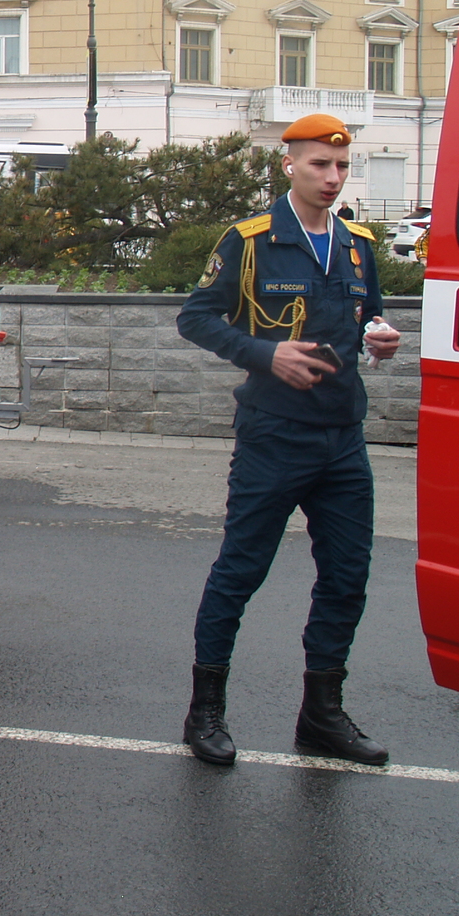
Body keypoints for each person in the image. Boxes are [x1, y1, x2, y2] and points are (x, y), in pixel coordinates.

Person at [176, 113, 401, 767]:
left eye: (340, 166)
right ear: (289, 167)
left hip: (343, 437)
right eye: (318, 166)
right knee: (240, 574)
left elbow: (371, 312)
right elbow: (195, 317)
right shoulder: (250, 240)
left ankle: (321, 715)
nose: (332, 178)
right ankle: (205, 712)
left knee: (347, 578)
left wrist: (381, 333)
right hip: (274, 436)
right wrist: (263, 356)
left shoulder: (357, 243)